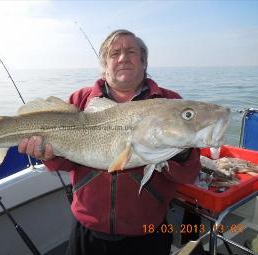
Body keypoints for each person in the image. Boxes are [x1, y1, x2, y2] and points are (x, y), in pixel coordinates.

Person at [18, 29, 201, 255]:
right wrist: (48, 156)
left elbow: (189, 173)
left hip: (147, 232)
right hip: (88, 230)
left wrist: (179, 152)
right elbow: (68, 162)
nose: (123, 57)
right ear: (104, 66)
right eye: (114, 53)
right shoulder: (80, 101)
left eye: (131, 51)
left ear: (144, 63)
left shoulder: (170, 103)